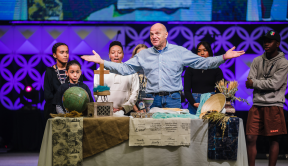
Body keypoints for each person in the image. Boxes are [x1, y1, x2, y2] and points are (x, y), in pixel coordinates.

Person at [81, 23, 245, 109]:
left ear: (166, 34)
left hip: (173, 98)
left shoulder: (179, 51)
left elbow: (203, 62)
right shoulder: (144, 54)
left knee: (173, 137)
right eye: (151, 34)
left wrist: (223, 57)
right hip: (152, 99)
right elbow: (124, 69)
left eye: (157, 33)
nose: (154, 36)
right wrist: (102, 62)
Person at [244, 30, 288, 166]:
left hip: (274, 105)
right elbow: (249, 81)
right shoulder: (257, 60)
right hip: (257, 104)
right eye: (265, 41)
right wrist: (256, 83)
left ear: (277, 43)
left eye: (270, 41)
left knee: (273, 139)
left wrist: (256, 83)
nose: (266, 44)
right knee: (250, 137)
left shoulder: (283, 63)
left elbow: (274, 84)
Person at [94, 41, 139, 115]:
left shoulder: (131, 71)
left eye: (119, 52)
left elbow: (135, 93)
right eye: (113, 52)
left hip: (125, 113)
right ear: (109, 55)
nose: (116, 55)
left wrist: (124, 108)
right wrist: (105, 107)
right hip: (105, 112)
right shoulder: (100, 70)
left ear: (123, 55)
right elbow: (97, 94)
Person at [44, 43, 83, 119]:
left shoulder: (75, 70)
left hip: (73, 110)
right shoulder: (50, 71)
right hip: (53, 111)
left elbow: (81, 90)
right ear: (54, 55)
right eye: (62, 52)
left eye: (67, 52)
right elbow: (48, 95)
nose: (65, 55)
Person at [184, 41, 224, 115]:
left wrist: (213, 102)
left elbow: (219, 91)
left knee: (210, 126)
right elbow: (186, 90)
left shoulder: (216, 70)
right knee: (194, 125)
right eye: (199, 51)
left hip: (211, 101)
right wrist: (193, 103)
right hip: (194, 102)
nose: (202, 53)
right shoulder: (190, 69)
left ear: (209, 52)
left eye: (205, 50)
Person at [131, 44, 149, 113]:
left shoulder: (153, 70)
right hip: (136, 109)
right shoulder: (131, 71)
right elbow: (128, 94)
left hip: (152, 109)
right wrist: (137, 110)